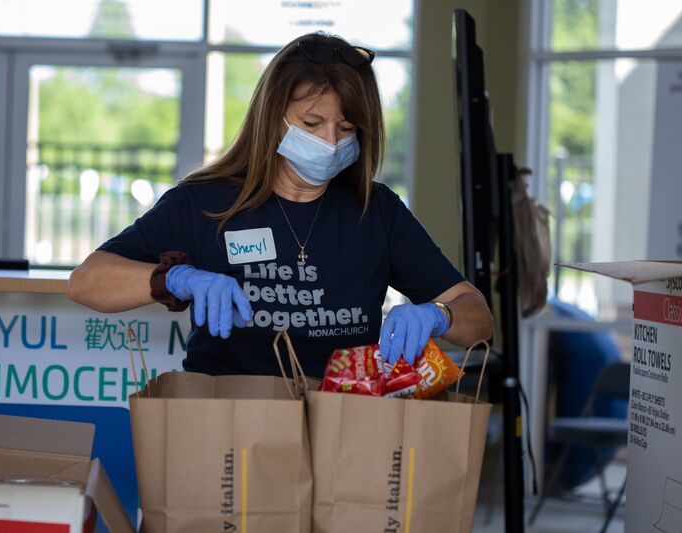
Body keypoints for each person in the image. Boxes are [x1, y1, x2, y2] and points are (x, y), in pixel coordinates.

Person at [67, 32, 493, 378]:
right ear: (273, 117)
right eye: (312, 123)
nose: (330, 142)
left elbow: (478, 318)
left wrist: (439, 315)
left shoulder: (376, 211)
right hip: (225, 417)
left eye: (347, 128)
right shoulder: (206, 202)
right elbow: (86, 282)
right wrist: (176, 279)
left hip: (341, 419)